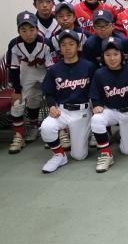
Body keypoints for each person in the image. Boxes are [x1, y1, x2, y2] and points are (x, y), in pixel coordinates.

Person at [39, 29, 96, 173]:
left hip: (83, 112)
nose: (67, 48)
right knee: (46, 127)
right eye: (63, 45)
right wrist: (51, 106)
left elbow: (96, 90)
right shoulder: (54, 69)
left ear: (78, 46)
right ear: (59, 48)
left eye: (71, 44)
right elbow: (49, 92)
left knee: (79, 156)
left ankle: (86, 134)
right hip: (62, 111)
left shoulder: (89, 66)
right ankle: (59, 155)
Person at [89, 36, 128, 173]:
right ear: (102, 57)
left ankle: (120, 134)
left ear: (122, 55)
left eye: (115, 54)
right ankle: (106, 154)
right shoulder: (99, 73)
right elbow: (94, 93)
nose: (112, 58)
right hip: (111, 111)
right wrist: (96, 104)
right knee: (97, 119)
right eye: (108, 55)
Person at [6, 11, 55, 153]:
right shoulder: (14, 44)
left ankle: (55, 133)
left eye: (31, 29)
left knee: (51, 99)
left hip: (44, 70)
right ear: (18, 31)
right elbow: (13, 68)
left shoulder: (46, 43)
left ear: (37, 29)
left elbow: (51, 68)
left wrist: (51, 88)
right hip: (26, 70)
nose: (28, 34)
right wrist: (16, 90)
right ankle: (19, 135)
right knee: (18, 102)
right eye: (24, 30)